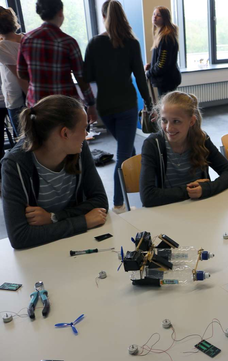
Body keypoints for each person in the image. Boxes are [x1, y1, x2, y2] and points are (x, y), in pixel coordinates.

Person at [1, 95, 108, 249]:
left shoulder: (79, 149)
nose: (86, 135)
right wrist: (83, 221)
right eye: (84, 128)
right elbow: (19, 236)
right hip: (41, 255)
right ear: (65, 133)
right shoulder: (15, 164)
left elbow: (100, 202)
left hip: (76, 243)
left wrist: (54, 218)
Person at [84, 0, 152, 214]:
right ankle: (118, 203)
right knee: (124, 155)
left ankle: (134, 184)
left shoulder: (94, 43)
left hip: (105, 108)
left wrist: (90, 105)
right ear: (123, 16)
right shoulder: (131, 43)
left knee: (127, 147)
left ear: (103, 17)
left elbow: (87, 78)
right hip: (126, 107)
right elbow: (141, 77)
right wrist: (150, 102)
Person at [140, 91, 228, 207]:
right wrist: (190, 191)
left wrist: (206, 188)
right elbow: (148, 197)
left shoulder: (201, 139)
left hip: (199, 208)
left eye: (176, 121)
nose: (169, 128)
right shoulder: (153, 144)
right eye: (164, 120)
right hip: (167, 210)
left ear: (191, 121)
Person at [17, 0, 97, 122]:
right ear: (60, 12)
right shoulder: (68, 42)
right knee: (70, 138)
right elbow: (81, 77)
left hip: (37, 104)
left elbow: (21, 73)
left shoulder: (27, 39)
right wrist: (90, 103)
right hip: (64, 104)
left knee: (43, 139)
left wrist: (38, 76)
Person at [0, 6, 27, 136]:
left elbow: (18, 74)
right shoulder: (25, 38)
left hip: (17, 98)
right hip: (31, 93)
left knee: (23, 141)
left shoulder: (1, 46)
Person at [145, 6, 181, 97]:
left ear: (165, 18)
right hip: (166, 79)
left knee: (166, 109)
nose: (154, 17)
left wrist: (148, 73)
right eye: (154, 14)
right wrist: (151, 64)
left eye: (158, 15)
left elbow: (161, 65)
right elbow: (162, 59)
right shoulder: (161, 35)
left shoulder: (166, 37)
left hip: (167, 80)